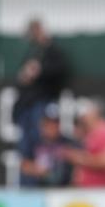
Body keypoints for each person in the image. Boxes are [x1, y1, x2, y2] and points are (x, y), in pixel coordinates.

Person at [13, 19, 69, 184]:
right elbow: (22, 81)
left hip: (40, 103)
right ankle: (28, 183)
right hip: (26, 107)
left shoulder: (51, 50)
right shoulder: (30, 51)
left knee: (42, 144)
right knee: (26, 150)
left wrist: (39, 71)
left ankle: (48, 179)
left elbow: (59, 70)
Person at [63, 100, 105, 188]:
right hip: (88, 190)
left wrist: (77, 158)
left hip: (101, 189)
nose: (82, 118)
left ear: (94, 113)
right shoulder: (89, 134)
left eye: (85, 114)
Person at [19, 103, 76, 187]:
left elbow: (78, 164)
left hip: (62, 190)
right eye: (48, 123)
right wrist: (39, 170)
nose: (52, 127)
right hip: (38, 190)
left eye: (55, 123)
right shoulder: (33, 141)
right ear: (42, 124)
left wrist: (70, 155)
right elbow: (24, 165)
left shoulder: (67, 142)